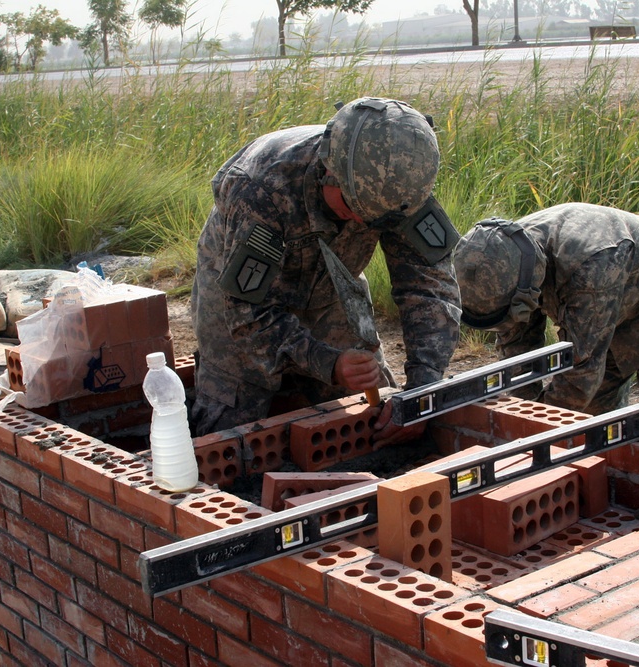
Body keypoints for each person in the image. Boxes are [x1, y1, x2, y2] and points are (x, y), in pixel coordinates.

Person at [190, 97, 461, 445]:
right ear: (326, 171)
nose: (364, 222)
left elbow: (430, 288)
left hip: (332, 287)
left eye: (376, 219)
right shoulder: (262, 188)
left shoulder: (399, 183)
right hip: (237, 301)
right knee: (230, 435)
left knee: (371, 408)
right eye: (353, 208)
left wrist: (424, 387)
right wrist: (327, 362)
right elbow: (247, 313)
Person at [452, 203, 639, 436]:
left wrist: (534, 430)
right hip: (603, 307)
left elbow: (581, 374)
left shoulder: (590, 269)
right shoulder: (503, 258)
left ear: (525, 291)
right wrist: (524, 411)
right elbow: (519, 350)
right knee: (595, 417)